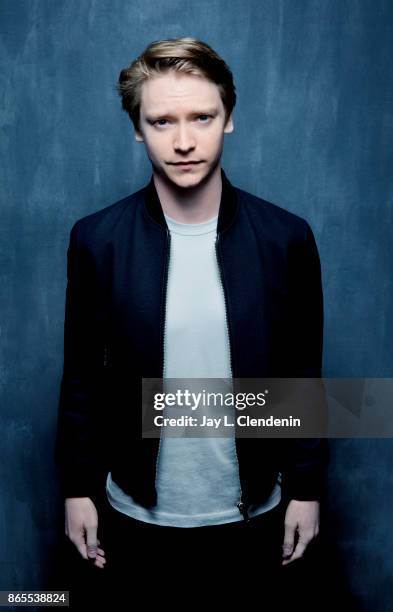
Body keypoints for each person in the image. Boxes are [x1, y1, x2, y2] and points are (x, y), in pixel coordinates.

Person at [54, 37, 329, 607]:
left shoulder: (286, 239)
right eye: (161, 121)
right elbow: (81, 373)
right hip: (133, 517)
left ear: (228, 117)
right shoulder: (96, 240)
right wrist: (77, 489)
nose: (183, 141)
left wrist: (306, 490)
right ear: (137, 129)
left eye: (202, 117)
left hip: (253, 514)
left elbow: (302, 375)